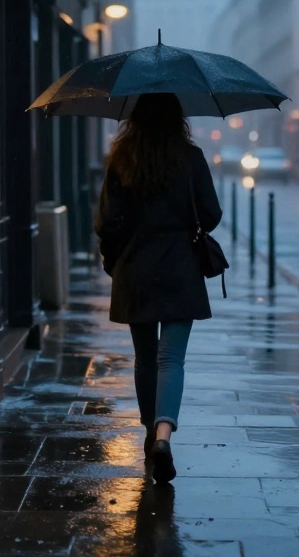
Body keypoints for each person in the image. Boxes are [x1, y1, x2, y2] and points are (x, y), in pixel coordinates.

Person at [95, 93, 222, 483]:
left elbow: (107, 222)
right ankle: (165, 437)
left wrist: (113, 259)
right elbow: (212, 215)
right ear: (176, 118)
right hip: (180, 266)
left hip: (136, 268)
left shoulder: (122, 159)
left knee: (145, 359)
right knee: (172, 360)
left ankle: (150, 432)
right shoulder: (190, 157)